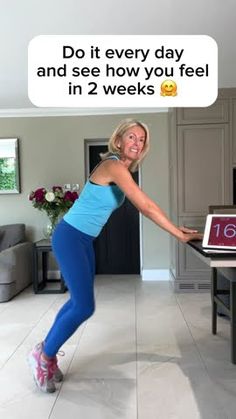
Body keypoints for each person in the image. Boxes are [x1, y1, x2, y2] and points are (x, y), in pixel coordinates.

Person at [28, 118, 202, 393]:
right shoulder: (113, 165)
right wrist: (177, 233)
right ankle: (43, 355)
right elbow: (144, 205)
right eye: (131, 137)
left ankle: (45, 349)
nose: (137, 142)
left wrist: (174, 226)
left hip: (83, 240)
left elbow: (141, 203)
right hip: (70, 236)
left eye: (141, 139)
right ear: (118, 140)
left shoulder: (123, 171)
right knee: (84, 306)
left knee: (78, 302)